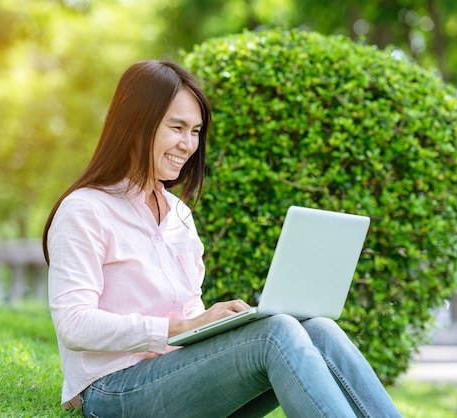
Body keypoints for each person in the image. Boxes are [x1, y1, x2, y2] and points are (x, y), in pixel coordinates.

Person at [43, 60, 402, 418]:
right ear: (136, 125)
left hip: (176, 377)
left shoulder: (178, 214)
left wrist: (217, 324)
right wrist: (184, 327)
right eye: (177, 127)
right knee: (274, 334)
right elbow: (75, 325)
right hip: (112, 391)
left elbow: (189, 311)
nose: (188, 144)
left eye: (196, 131)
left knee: (319, 329)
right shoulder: (86, 209)